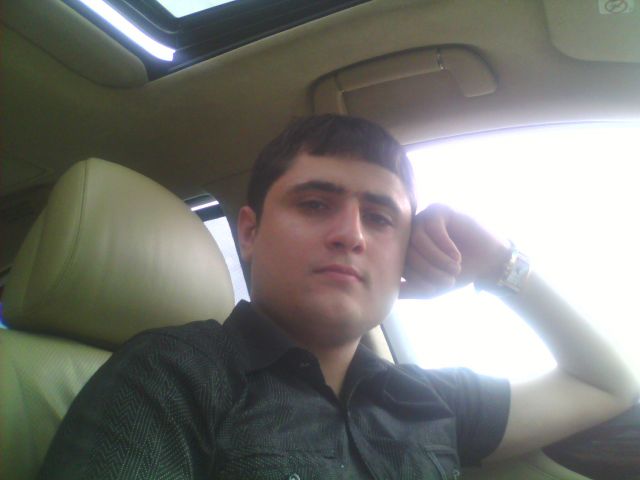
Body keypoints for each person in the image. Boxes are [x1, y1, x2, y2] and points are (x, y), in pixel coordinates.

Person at [39, 114, 638, 479]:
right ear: (249, 232)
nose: (351, 234)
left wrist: (497, 262)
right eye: (315, 204)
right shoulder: (175, 374)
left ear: (402, 254)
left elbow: (609, 383)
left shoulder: (427, 398)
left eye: (380, 219)